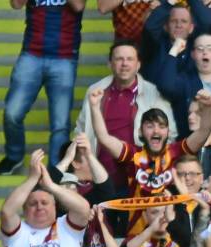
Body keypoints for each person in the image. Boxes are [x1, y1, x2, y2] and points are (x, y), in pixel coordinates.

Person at [88, 91, 211, 237]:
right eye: (150, 126)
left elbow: (204, 131)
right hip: (138, 236)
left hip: (171, 235)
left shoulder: (176, 151)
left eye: (161, 126)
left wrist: (208, 107)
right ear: (141, 131)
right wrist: (95, 106)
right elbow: (104, 138)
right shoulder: (133, 154)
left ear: (167, 132)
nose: (156, 130)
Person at [75, 40, 177, 195]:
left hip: (138, 179)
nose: (124, 64)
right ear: (110, 64)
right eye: (119, 59)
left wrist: (152, 167)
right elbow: (81, 130)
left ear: (138, 65)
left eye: (130, 59)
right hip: (99, 178)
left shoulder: (153, 93)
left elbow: (169, 134)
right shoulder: (95, 90)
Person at [0, 0, 85, 174]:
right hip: (31, 54)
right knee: (12, 113)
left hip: (64, 57)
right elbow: (15, 4)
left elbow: (79, 6)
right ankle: (14, 156)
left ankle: (56, 169)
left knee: (60, 123)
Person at [140, 0, 195, 84]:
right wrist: (169, 3)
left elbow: (207, 23)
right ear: (166, 26)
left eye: (184, 21)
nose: (178, 25)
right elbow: (150, 28)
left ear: (191, 28)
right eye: (174, 21)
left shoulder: (196, 49)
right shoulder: (155, 46)